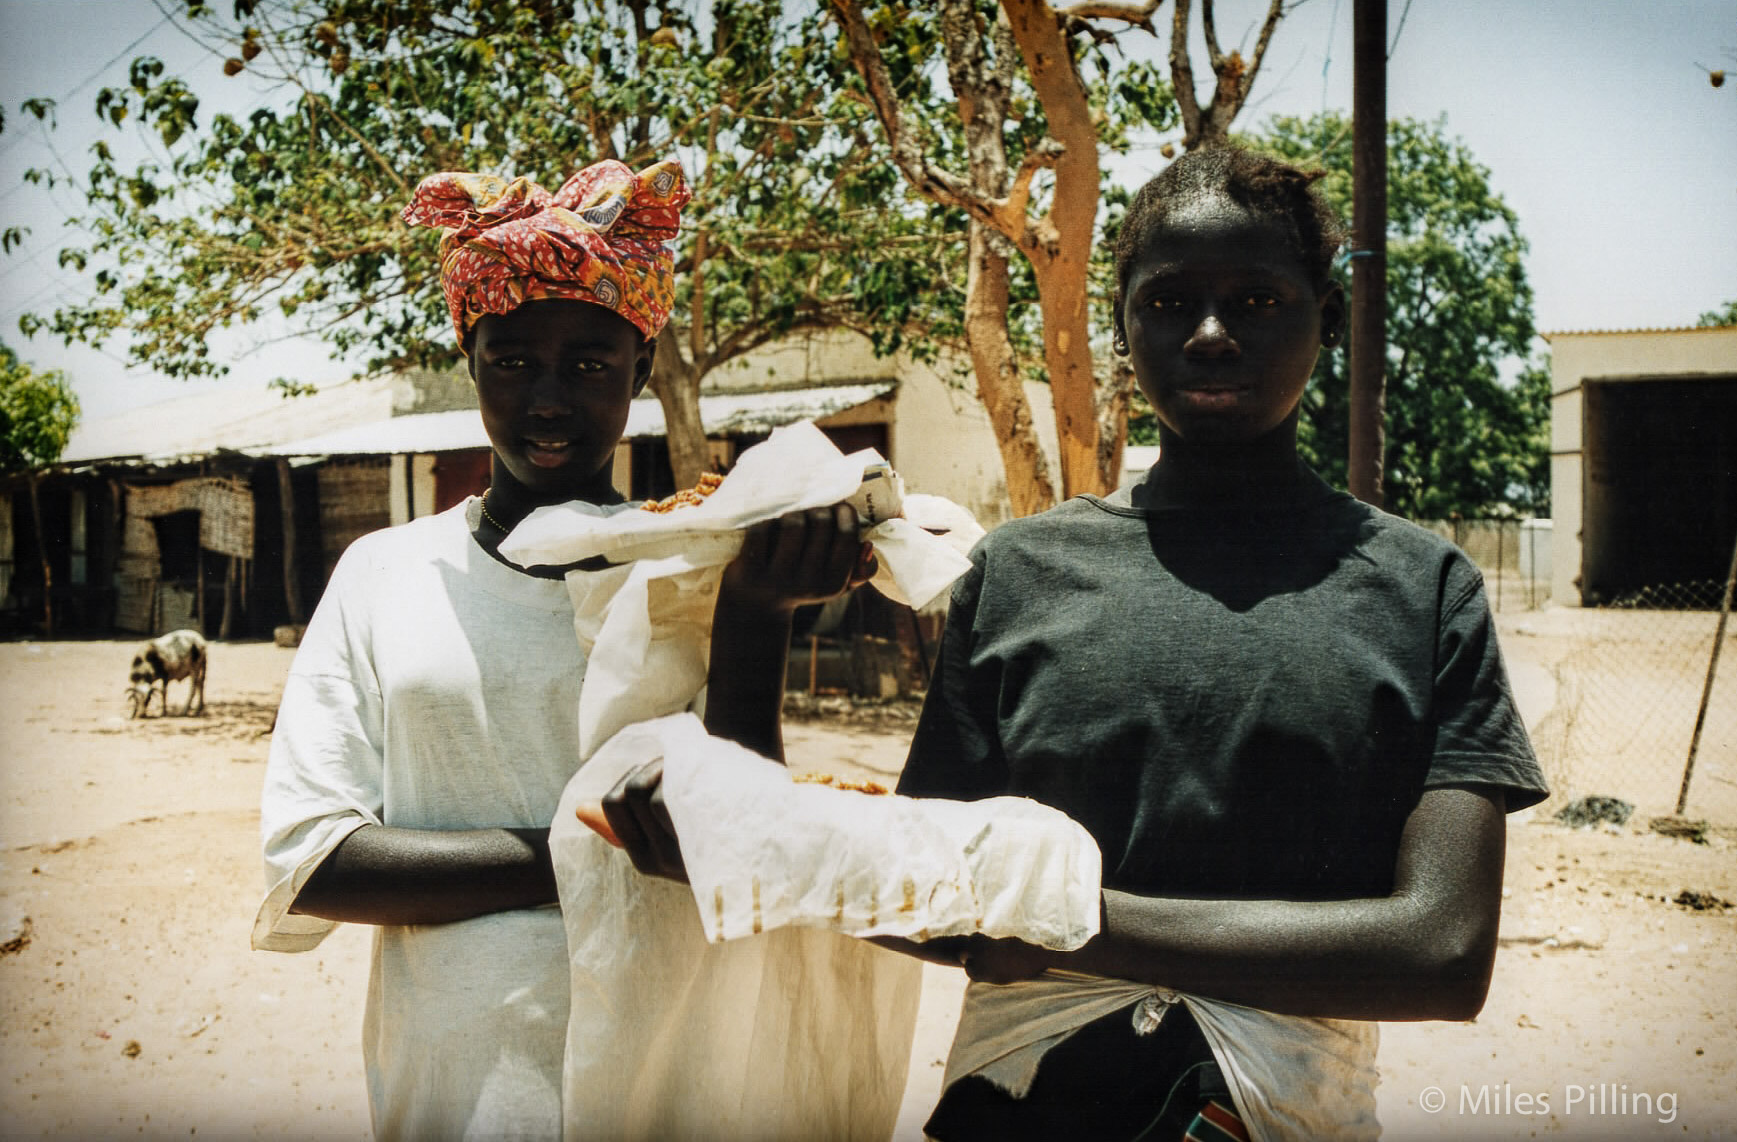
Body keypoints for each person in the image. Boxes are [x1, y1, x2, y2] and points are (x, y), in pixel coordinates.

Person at [891, 147, 1549, 1141]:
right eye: (1166, 303)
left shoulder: (1419, 591)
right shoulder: (1020, 574)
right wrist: (756, 630)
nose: (1208, 334)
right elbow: (913, 886)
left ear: (1327, 318)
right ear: (1122, 327)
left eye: (1254, 300)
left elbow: (1442, 951)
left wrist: (1071, 921)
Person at [252, 159, 870, 1141]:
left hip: (666, 1070)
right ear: (469, 359)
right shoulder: (384, 573)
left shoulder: (693, 567)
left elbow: (736, 839)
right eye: (512, 361)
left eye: (588, 365)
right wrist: (584, 854)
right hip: (463, 1086)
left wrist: (760, 611)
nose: (548, 399)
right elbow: (317, 862)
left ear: (639, 367)